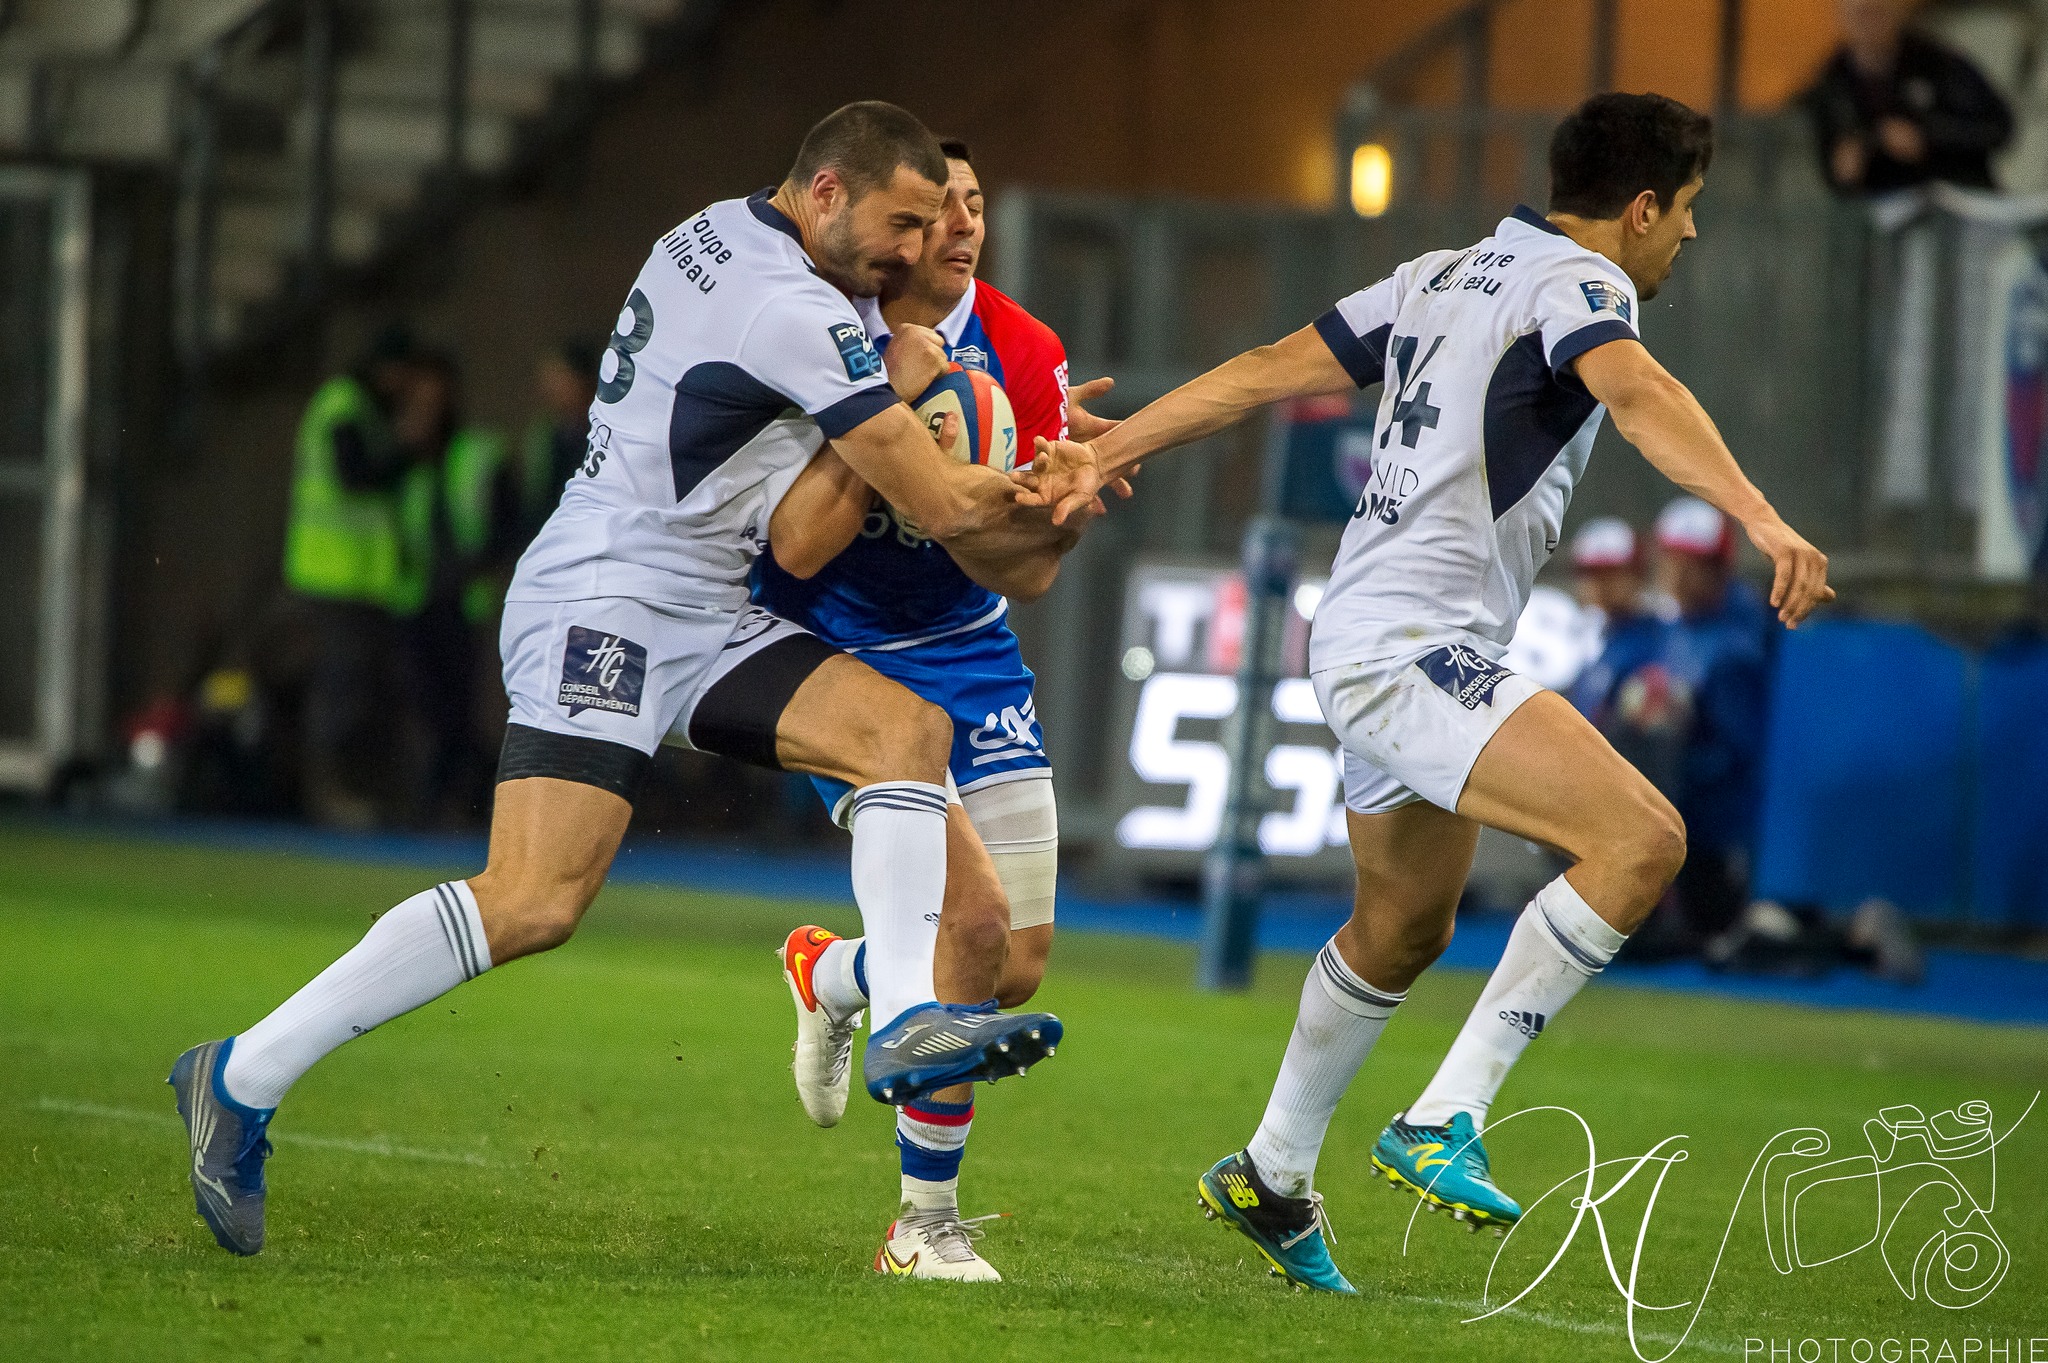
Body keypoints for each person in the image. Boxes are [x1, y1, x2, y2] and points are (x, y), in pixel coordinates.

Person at [168, 102, 1095, 1258]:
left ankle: (905, 1014)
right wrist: (1045, 479)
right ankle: (238, 1076)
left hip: (708, 605)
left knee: (902, 732)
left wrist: (916, 403)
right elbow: (941, 503)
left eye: (932, 224)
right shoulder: (792, 308)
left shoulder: (725, 231)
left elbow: (806, 528)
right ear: (824, 194)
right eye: (901, 223)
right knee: (533, 900)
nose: (914, 250)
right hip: (606, 601)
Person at [1023, 92, 1833, 1292]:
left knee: (1404, 925)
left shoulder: (1438, 274)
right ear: (1639, 207)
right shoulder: (1579, 284)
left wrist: (1107, 445)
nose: (1689, 235)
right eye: (1687, 210)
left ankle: (1269, 1172)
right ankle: (1443, 1114)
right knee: (1639, 840)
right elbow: (1636, 393)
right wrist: (1759, 517)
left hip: (1367, 634)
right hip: (1409, 645)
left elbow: (1261, 371)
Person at [753, 139, 1111, 1282]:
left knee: (1014, 962)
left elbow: (1032, 575)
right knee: (970, 919)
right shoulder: (819, 328)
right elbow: (793, 547)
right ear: (890, 225)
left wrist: (1047, 505)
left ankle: (834, 974)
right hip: (841, 655)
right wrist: (902, 418)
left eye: (973, 206)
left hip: (971, 651)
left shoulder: (1025, 350)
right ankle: (922, 1225)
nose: (958, 226)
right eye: (935, 208)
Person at [282, 324, 430, 828]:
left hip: (362, 582)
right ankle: (328, 793)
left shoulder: (362, 408)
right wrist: (407, 448)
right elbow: (357, 477)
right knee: (341, 689)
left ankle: (357, 792)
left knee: (363, 691)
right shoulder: (343, 406)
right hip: (334, 578)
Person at [1652, 495, 1774, 946]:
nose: (1678, 575)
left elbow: (1741, 753)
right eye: (1672, 560)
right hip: (1676, 820)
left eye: (1693, 564)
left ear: (1719, 570)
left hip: (1716, 833)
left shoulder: (1734, 649)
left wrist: (1667, 765)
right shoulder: (1671, 631)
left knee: (1710, 944)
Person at [1801, 0, 2013, 195]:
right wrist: (1844, 168)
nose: (1868, 25)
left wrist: (1927, 137)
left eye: (1875, 13)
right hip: (1882, 205)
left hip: (1957, 191)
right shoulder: (1831, 83)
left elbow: (1998, 127)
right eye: (1859, 15)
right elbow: (1828, 169)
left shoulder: (1938, 63)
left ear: (1896, 13)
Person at [519, 337, 603, 540]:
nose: (549, 389)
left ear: (583, 380)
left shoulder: (604, 430)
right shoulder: (545, 436)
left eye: (558, 378)